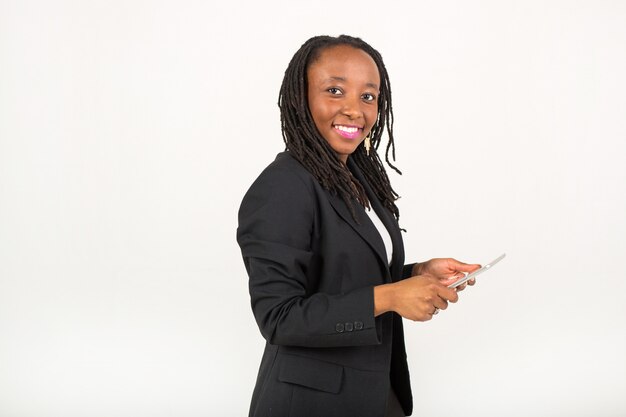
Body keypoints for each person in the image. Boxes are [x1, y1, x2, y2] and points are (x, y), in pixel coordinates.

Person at [236, 35, 480, 417]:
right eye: (335, 90)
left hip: (374, 390)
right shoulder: (282, 187)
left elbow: (338, 276)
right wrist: (392, 297)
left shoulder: (353, 177)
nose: (354, 110)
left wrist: (415, 274)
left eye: (368, 96)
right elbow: (279, 317)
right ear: (301, 97)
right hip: (312, 403)